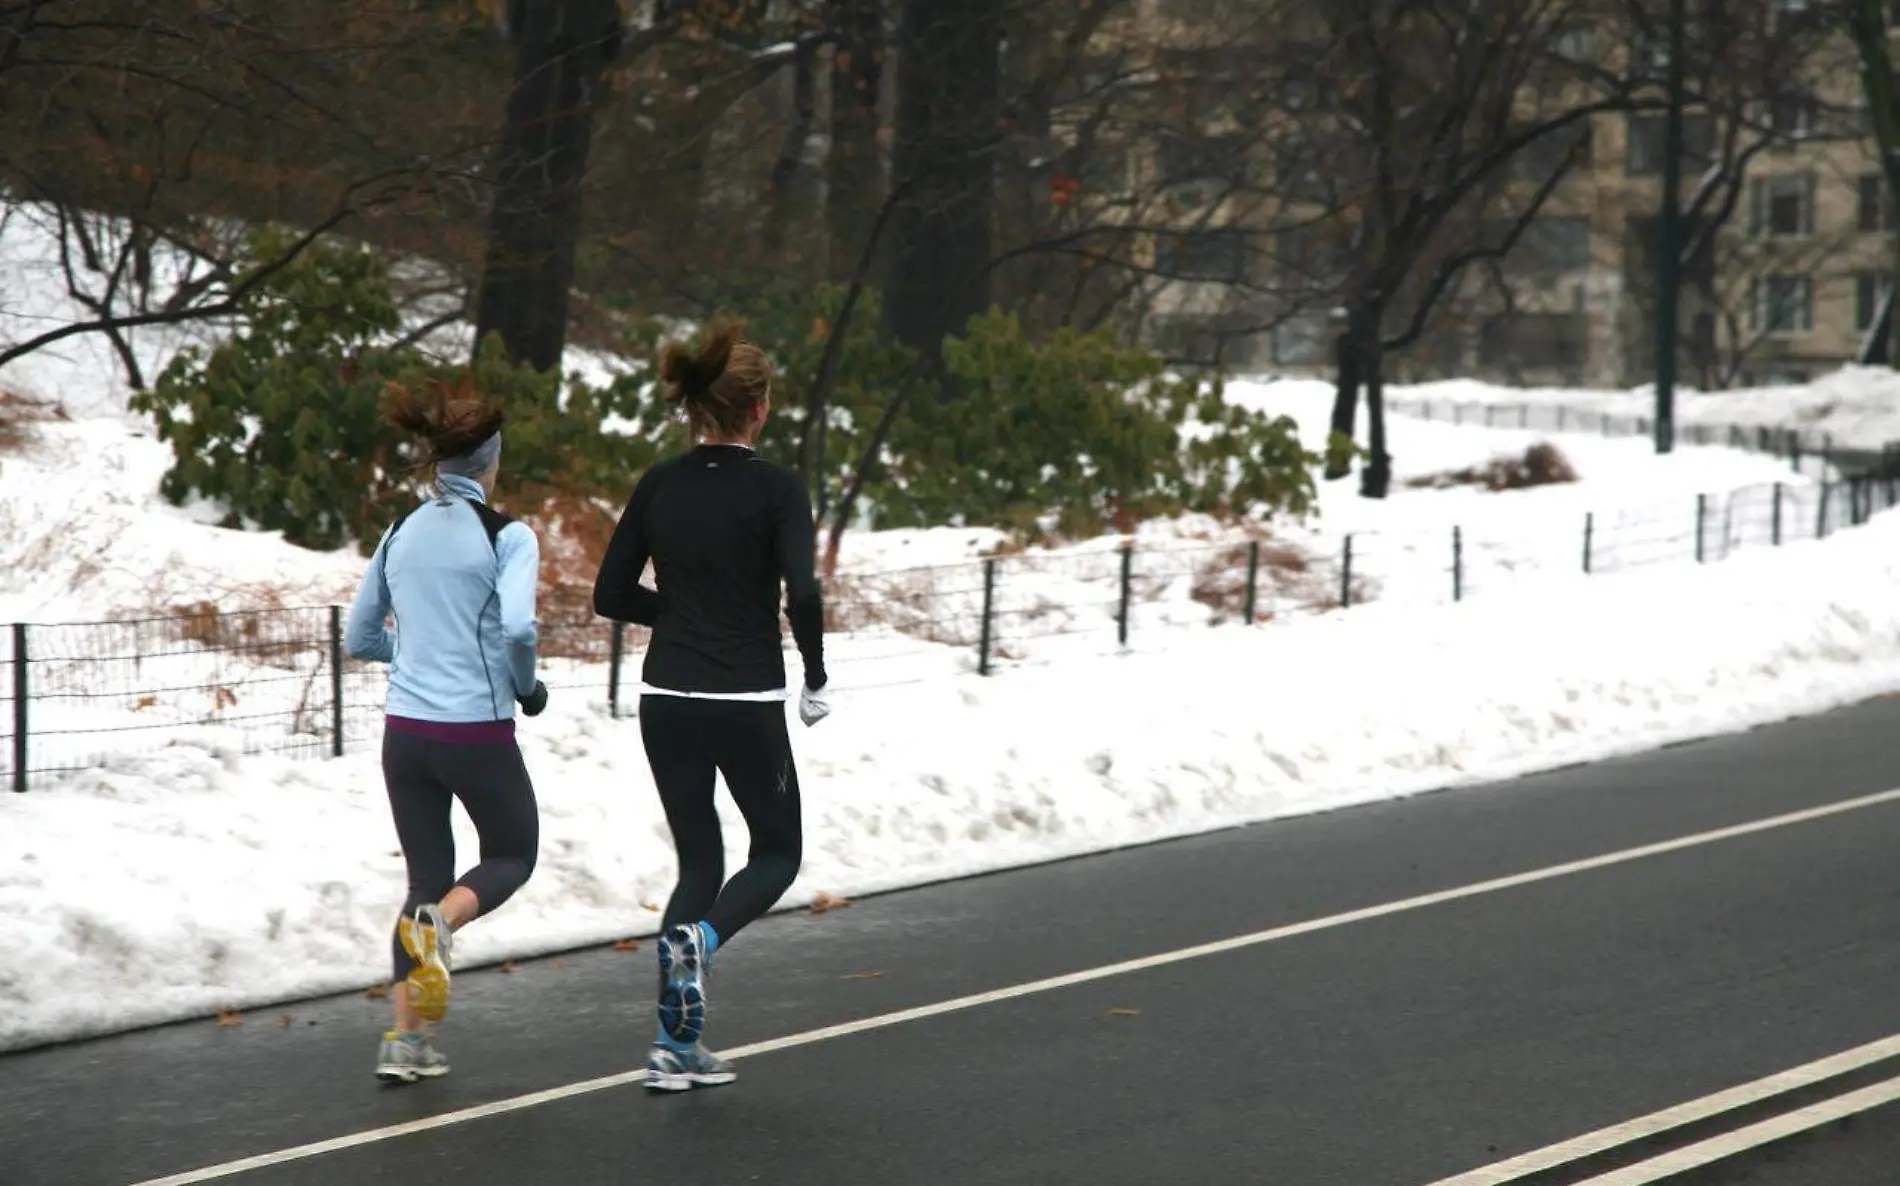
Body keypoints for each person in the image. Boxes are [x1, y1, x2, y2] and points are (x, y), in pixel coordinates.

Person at [593, 316, 830, 1093]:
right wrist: (816, 676)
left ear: (697, 409)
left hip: (665, 696)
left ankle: (672, 1048)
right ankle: (703, 938)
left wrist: (682, 614)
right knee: (777, 854)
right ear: (758, 410)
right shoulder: (778, 489)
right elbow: (805, 592)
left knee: (699, 859)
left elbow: (610, 593)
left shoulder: (660, 482)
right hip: (745, 697)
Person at [345, 374, 549, 1085]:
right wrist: (525, 686)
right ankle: (442, 927)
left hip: (404, 734)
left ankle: (404, 1045)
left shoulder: (400, 529)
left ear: (438, 465)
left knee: (422, 877)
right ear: (490, 465)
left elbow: (358, 633)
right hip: (476, 734)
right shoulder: (508, 535)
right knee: (512, 854)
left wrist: (412, 655)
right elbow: (520, 626)